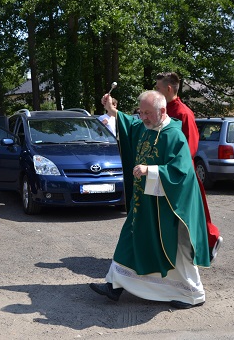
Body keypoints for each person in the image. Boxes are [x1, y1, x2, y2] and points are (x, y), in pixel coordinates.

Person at [89, 90, 210, 309]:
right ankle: (114, 284)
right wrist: (112, 111)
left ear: (162, 111)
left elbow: (181, 171)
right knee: (130, 237)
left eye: (147, 113)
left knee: (177, 250)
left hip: (169, 206)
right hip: (145, 202)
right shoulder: (147, 127)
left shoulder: (173, 135)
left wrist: (150, 170)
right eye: (141, 112)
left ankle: (192, 294)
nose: (143, 117)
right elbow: (131, 125)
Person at [155, 72, 223, 261]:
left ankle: (210, 241)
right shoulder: (162, 110)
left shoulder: (183, 113)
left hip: (182, 173)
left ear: (169, 89)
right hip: (165, 171)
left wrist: (174, 168)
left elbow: (190, 147)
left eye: (158, 88)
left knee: (192, 214)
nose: (156, 91)